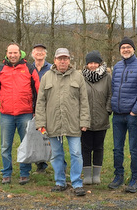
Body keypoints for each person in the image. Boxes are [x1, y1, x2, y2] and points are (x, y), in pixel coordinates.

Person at [35, 48, 90, 196]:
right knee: (56, 154)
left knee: (76, 153)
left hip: (73, 123)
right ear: (55, 60)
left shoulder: (78, 77)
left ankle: (77, 183)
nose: (63, 61)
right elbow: (40, 102)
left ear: (69, 60)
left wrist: (84, 120)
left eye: (65, 58)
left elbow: (84, 101)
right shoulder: (47, 77)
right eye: (60, 58)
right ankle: (60, 182)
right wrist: (40, 122)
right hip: (53, 123)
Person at [0, 43, 39, 185]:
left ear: (20, 53)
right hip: (6, 114)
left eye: (15, 52)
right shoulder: (0, 70)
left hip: (26, 113)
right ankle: (6, 173)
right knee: (5, 146)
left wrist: (36, 110)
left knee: (26, 144)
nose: (12, 55)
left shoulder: (30, 68)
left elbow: (38, 90)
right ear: (7, 53)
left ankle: (24, 173)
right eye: (10, 53)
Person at [108, 37, 137, 193]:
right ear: (120, 50)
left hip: (132, 115)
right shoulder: (117, 67)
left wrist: (135, 110)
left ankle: (135, 178)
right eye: (123, 47)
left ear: (133, 49)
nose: (125, 49)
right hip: (117, 115)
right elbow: (113, 88)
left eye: (128, 47)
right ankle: (118, 175)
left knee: (133, 149)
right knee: (117, 149)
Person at [81, 50, 111, 185]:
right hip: (84, 119)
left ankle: (97, 175)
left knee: (98, 147)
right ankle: (87, 175)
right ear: (87, 64)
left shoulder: (107, 77)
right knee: (85, 147)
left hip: (101, 118)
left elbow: (111, 95)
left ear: (100, 63)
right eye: (90, 63)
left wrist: (107, 110)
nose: (93, 65)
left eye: (95, 63)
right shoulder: (80, 77)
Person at [31, 43, 51, 173]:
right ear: (32, 54)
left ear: (45, 53)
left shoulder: (51, 68)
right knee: (35, 136)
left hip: (48, 107)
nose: (39, 53)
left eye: (42, 51)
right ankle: (40, 163)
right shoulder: (28, 68)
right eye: (37, 51)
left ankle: (57, 160)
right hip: (31, 107)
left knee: (49, 135)